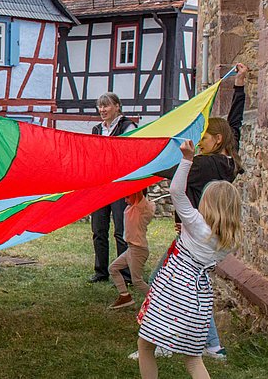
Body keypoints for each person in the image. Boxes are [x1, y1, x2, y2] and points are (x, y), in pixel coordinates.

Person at [130, 63, 249, 361]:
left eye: (205, 136)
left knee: (166, 281)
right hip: (207, 233)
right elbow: (235, 125)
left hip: (195, 233)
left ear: (217, 140)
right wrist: (239, 87)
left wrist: (139, 160)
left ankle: (163, 339)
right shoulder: (228, 160)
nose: (200, 140)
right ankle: (213, 345)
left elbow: (173, 176)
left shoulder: (206, 164)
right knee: (197, 288)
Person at [136, 140, 241, 379]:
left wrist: (186, 159)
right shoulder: (228, 240)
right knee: (193, 360)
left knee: (145, 345)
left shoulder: (195, 223)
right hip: (198, 299)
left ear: (209, 203)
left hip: (172, 292)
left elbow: (176, 191)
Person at [89, 92, 136, 283]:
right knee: (98, 229)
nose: (102, 110)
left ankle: (125, 274)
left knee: (121, 231)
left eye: (106, 106)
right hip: (100, 186)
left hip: (120, 186)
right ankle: (101, 272)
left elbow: (130, 155)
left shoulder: (128, 126)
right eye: (100, 106)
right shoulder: (97, 129)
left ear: (117, 106)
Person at [107, 190, 155, 309]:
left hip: (138, 250)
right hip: (131, 249)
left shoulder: (140, 208)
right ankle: (125, 296)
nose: (125, 200)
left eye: (127, 197)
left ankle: (157, 302)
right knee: (113, 268)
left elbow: (138, 189)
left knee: (137, 281)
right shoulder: (133, 208)